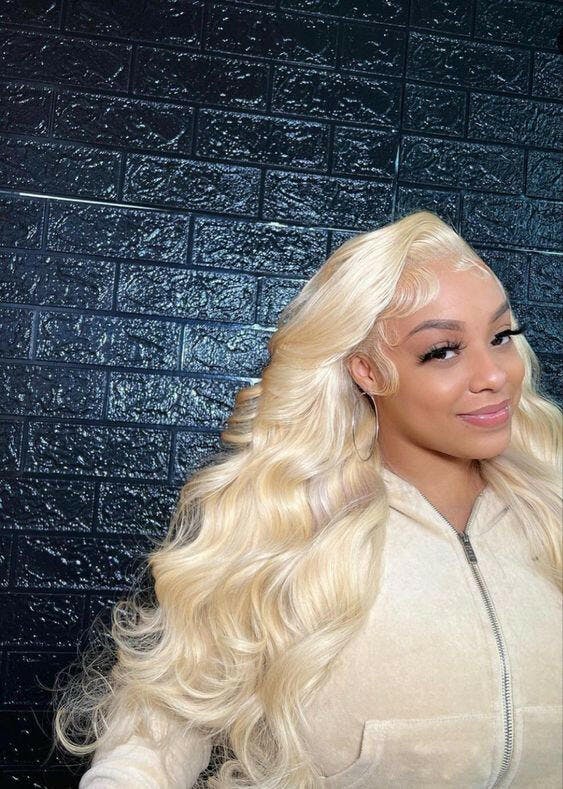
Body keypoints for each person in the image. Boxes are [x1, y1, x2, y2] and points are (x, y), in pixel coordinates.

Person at [53, 210, 562, 788]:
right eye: (443, 350)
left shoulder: (551, 512)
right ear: (368, 372)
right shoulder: (286, 523)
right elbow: (160, 729)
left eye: (501, 337)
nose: (494, 375)